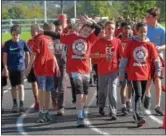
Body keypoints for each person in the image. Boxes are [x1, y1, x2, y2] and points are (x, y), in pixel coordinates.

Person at [43, 15, 101, 127]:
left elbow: (98, 29)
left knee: (84, 94)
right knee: (79, 93)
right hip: (75, 70)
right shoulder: (72, 37)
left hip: (86, 71)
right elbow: (58, 35)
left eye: (88, 31)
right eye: (85, 30)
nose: (86, 33)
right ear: (80, 29)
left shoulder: (90, 39)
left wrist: (91, 21)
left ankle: (81, 109)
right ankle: (80, 117)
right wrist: (44, 32)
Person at [119, 22, 161, 127]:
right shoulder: (131, 43)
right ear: (136, 31)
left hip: (145, 74)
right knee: (137, 94)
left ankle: (136, 113)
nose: (143, 34)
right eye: (141, 31)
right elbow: (124, 59)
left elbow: (156, 60)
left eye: (145, 32)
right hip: (134, 73)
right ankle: (138, 116)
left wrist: (158, 71)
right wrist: (121, 72)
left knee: (141, 95)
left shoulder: (149, 45)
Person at [25, 23, 60, 123]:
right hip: (41, 69)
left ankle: (45, 111)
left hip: (49, 69)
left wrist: (56, 66)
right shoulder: (40, 39)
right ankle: (42, 112)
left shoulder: (49, 40)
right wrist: (28, 67)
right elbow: (34, 54)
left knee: (47, 90)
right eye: (53, 32)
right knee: (43, 90)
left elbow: (52, 55)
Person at [91, 21, 121, 120]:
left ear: (115, 29)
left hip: (114, 70)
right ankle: (101, 105)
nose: (110, 30)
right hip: (102, 70)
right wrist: (102, 55)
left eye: (112, 28)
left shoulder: (117, 41)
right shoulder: (99, 41)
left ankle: (113, 112)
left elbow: (121, 55)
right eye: (108, 28)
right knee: (102, 91)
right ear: (105, 29)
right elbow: (92, 55)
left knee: (112, 91)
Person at [3, 24, 30, 113]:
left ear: (19, 34)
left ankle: (21, 104)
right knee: (13, 86)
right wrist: (6, 68)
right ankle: (15, 104)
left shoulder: (23, 42)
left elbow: (27, 54)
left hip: (21, 68)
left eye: (16, 34)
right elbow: (5, 56)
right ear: (11, 34)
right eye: (13, 34)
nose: (15, 36)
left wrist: (27, 66)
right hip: (11, 68)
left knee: (21, 86)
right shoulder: (8, 43)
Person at [144, 7, 165, 115]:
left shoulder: (162, 30)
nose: (146, 18)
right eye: (146, 16)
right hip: (146, 59)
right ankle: (147, 95)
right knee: (147, 82)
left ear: (155, 17)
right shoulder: (144, 29)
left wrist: (160, 48)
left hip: (158, 58)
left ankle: (157, 105)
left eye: (148, 16)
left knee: (158, 81)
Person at [51, 20, 68, 115]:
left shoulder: (65, 39)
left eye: (60, 30)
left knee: (62, 86)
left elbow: (69, 52)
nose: (58, 32)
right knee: (53, 87)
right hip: (52, 66)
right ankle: (54, 98)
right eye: (56, 30)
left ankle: (61, 107)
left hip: (63, 65)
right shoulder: (50, 40)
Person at [118, 22, 133, 115]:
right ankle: (123, 105)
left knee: (130, 85)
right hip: (121, 67)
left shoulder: (133, 40)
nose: (127, 30)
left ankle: (129, 101)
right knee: (123, 85)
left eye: (129, 28)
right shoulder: (118, 39)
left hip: (131, 67)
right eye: (125, 28)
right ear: (122, 29)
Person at [27, 25, 40, 110]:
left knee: (42, 84)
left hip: (40, 65)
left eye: (34, 32)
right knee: (34, 83)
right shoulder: (29, 42)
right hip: (32, 65)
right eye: (31, 32)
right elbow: (27, 53)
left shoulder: (41, 40)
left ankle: (45, 100)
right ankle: (36, 101)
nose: (32, 33)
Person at [1, 44, 8, 114]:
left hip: (1, 66)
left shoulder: (2, 46)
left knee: (1, 87)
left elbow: (6, 57)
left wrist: (5, 68)